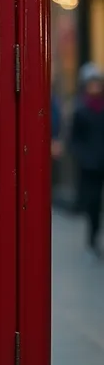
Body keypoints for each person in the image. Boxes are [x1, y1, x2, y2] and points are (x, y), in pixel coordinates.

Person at [70, 62, 104, 255]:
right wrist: (83, 156)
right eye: (92, 83)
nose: (95, 87)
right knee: (93, 201)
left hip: (102, 161)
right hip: (90, 164)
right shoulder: (81, 110)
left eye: (97, 83)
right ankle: (92, 237)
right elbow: (74, 140)